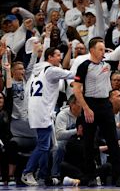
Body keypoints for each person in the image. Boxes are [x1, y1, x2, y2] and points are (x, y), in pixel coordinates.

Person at [73, 32, 120, 187]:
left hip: (105, 105)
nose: (104, 52)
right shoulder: (84, 66)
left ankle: (118, 177)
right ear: (92, 50)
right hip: (89, 105)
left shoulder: (108, 64)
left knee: (113, 142)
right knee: (88, 143)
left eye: (104, 49)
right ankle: (89, 177)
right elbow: (76, 90)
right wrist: (86, 109)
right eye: (100, 49)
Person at [21, 47, 75, 186]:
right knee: (44, 146)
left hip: (36, 110)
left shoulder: (37, 71)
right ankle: (27, 172)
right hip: (43, 112)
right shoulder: (51, 70)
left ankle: (43, 175)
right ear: (49, 57)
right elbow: (73, 75)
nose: (60, 58)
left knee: (49, 145)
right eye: (57, 55)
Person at [51, 95, 82, 180]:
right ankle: (55, 175)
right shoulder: (63, 115)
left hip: (80, 142)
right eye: (80, 103)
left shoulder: (85, 113)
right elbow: (59, 135)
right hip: (66, 142)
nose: (83, 105)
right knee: (59, 146)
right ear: (72, 104)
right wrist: (76, 131)